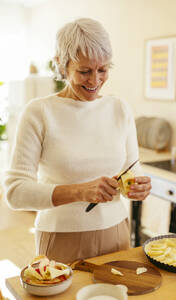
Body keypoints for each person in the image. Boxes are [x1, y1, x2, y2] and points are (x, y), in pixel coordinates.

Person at [4, 18, 151, 264]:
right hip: (60, 237)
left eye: (102, 69)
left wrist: (139, 185)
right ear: (62, 66)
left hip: (116, 231)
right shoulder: (39, 112)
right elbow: (15, 192)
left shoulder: (119, 108)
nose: (94, 81)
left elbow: (132, 166)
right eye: (84, 71)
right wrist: (80, 191)